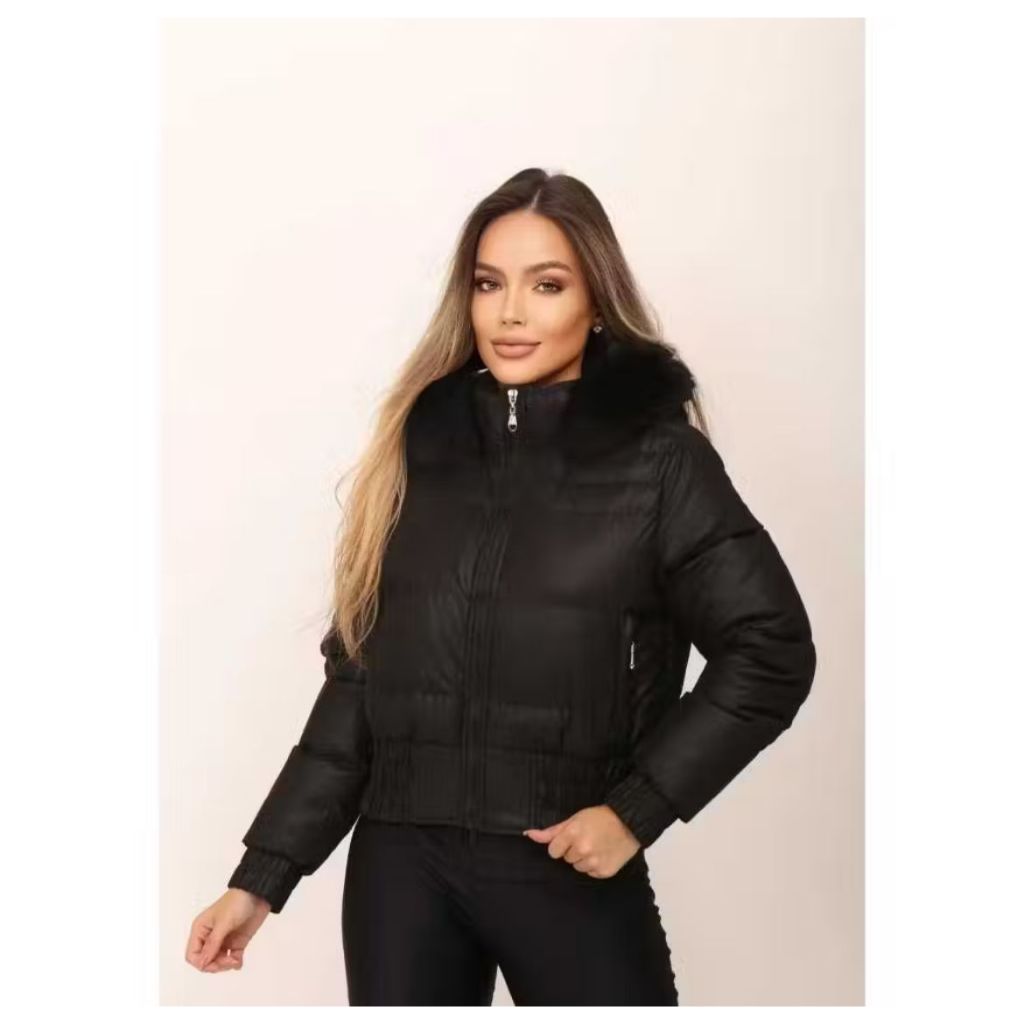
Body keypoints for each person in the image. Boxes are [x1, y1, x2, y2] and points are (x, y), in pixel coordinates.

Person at [185, 167, 817, 1005]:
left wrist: (635, 811)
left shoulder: (660, 463)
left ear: (596, 302)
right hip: (401, 874)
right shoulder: (416, 455)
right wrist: (261, 878)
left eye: (546, 285)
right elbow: (359, 687)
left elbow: (770, 649)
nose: (511, 313)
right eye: (489, 284)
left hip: (561, 861)